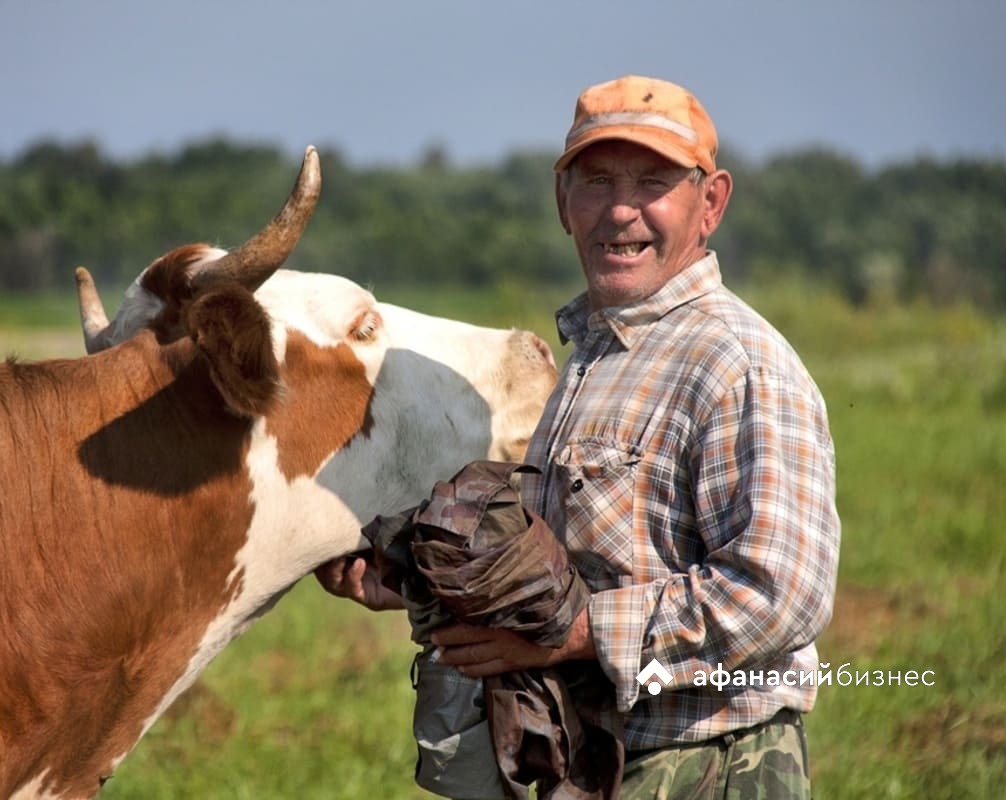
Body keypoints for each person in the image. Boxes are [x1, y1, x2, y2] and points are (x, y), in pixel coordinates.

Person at [317, 75, 841, 799]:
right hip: (597, 760)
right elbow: (583, 560)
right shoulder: (600, 354)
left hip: (707, 765)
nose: (620, 210)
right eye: (595, 181)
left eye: (653, 181)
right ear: (563, 203)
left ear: (711, 202)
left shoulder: (736, 364)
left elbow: (778, 594)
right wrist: (417, 585)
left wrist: (578, 634)